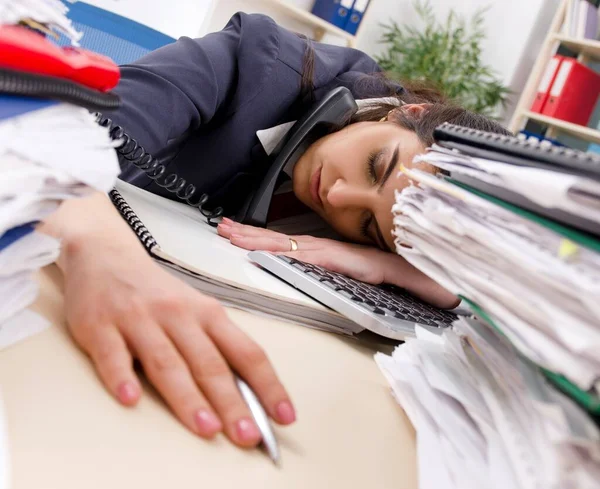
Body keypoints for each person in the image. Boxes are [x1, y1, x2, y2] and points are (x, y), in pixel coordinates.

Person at [40, 12, 511, 449]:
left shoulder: (393, 234)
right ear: (407, 112)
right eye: (375, 166)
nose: (340, 197)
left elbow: (510, 307)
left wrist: (386, 263)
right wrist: (99, 248)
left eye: (368, 226)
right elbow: (57, 134)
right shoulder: (258, 59)